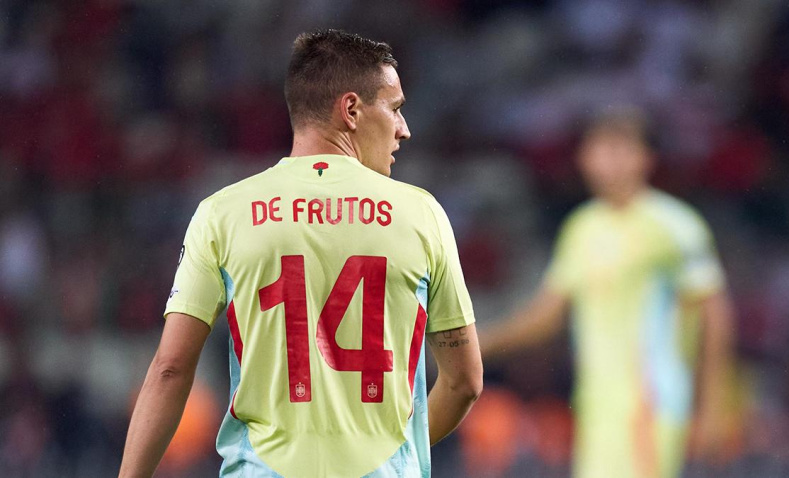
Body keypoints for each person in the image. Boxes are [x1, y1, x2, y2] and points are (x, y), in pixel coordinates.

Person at [119, 29, 482, 478]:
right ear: (351, 110)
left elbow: (171, 369)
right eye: (395, 108)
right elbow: (465, 382)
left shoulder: (223, 214)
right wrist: (398, 453)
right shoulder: (421, 215)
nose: (404, 129)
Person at [481, 108, 735, 478]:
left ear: (646, 158)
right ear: (583, 158)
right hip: (596, 407)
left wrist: (713, 405)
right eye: (600, 149)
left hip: (650, 405)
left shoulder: (674, 226)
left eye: (622, 149)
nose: (609, 161)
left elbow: (714, 314)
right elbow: (547, 315)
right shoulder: (582, 228)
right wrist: (478, 343)